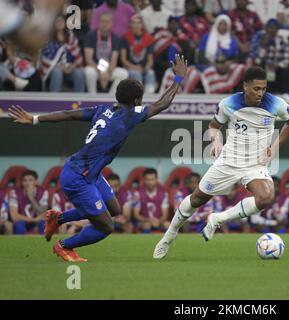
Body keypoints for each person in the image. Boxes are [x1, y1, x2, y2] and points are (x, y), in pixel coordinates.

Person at [8, 54, 187, 262]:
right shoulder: (130, 116)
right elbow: (162, 104)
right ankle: (64, 246)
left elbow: (69, 115)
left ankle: (58, 218)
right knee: (106, 226)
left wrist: (35, 119)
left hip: (88, 172)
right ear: (136, 101)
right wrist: (179, 79)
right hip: (78, 178)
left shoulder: (103, 110)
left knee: (114, 209)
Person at [154, 66, 289, 259]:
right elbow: (214, 126)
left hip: (255, 165)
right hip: (229, 162)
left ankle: (217, 218)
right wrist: (216, 140)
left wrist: (276, 144)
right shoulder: (228, 103)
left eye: (263, 88)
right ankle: (168, 236)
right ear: (245, 86)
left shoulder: (275, 104)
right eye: (256, 88)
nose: (261, 93)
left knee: (265, 197)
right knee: (197, 199)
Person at [84, 12, 128, 94]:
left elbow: (114, 60)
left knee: (123, 73)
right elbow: (89, 59)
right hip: (95, 68)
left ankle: (110, 98)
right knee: (89, 72)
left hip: (109, 70)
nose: (105, 24)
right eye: (102, 21)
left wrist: (108, 72)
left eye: (107, 22)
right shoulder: (91, 35)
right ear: (99, 23)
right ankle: (92, 97)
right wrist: (101, 71)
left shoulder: (115, 38)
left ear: (111, 24)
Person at [40, 15, 86, 93]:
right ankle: (54, 101)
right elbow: (45, 58)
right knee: (57, 72)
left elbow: (78, 56)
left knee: (79, 73)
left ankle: (80, 100)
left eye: (62, 21)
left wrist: (72, 66)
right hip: (52, 69)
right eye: (57, 21)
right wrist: (60, 67)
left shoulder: (71, 36)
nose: (60, 23)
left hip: (69, 68)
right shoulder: (48, 37)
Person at [249, 19, 289, 93]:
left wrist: (277, 65)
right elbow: (257, 60)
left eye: (274, 28)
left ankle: (284, 95)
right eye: (270, 27)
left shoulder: (283, 41)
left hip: (278, 67)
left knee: (286, 71)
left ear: (277, 29)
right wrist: (263, 45)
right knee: (261, 70)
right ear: (266, 29)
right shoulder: (260, 39)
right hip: (265, 66)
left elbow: (286, 61)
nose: (272, 30)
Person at [120, 15, 157, 94]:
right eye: (134, 23)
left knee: (151, 73)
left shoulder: (148, 39)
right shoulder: (125, 38)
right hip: (130, 68)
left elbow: (150, 60)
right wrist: (135, 67)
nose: (136, 25)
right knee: (136, 74)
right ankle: (138, 97)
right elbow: (123, 60)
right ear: (130, 25)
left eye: (138, 23)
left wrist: (146, 67)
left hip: (143, 68)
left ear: (142, 25)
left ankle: (150, 97)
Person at [8, 170, 48, 235]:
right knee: (19, 224)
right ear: (22, 182)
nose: (27, 183)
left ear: (35, 182)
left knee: (43, 223)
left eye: (30, 180)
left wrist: (31, 198)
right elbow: (14, 216)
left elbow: (43, 213)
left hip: (37, 223)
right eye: (25, 180)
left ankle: (44, 244)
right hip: (22, 222)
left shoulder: (43, 192)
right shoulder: (14, 192)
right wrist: (33, 220)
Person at [133, 168, 170, 233]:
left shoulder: (163, 194)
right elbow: (136, 215)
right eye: (147, 179)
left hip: (159, 221)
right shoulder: (137, 194)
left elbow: (165, 215)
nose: (150, 182)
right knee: (147, 225)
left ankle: (166, 243)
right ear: (144, 180)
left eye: (152, 179)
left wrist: (158, 221)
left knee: (168, 224)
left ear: (156, 180)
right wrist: (149, 220)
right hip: (144, 222)